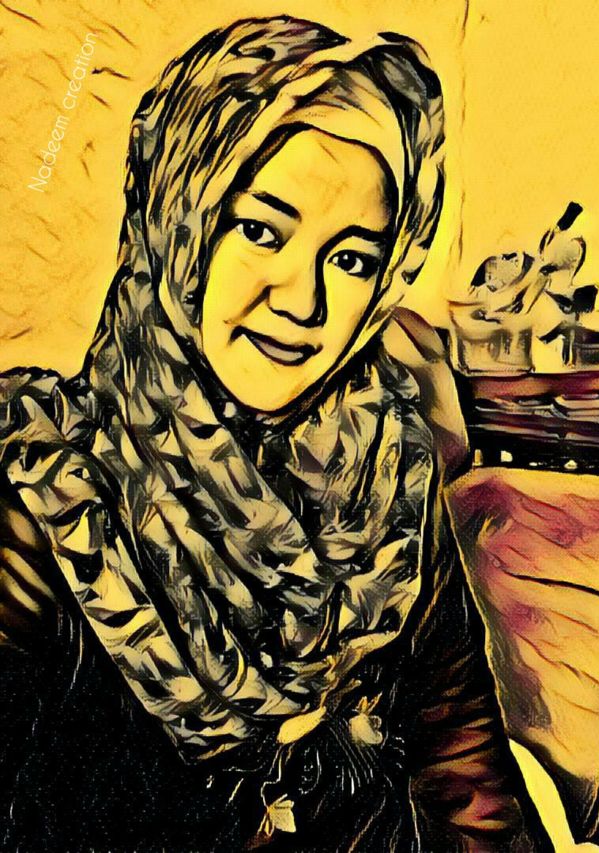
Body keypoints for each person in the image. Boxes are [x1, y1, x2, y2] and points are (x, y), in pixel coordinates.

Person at [0, 16, 551, 852]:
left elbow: (465, 778)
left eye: (352, 257)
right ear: (178, 224)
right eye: (261, 230)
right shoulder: (48, 499)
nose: (303, 302)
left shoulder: (386, 475)